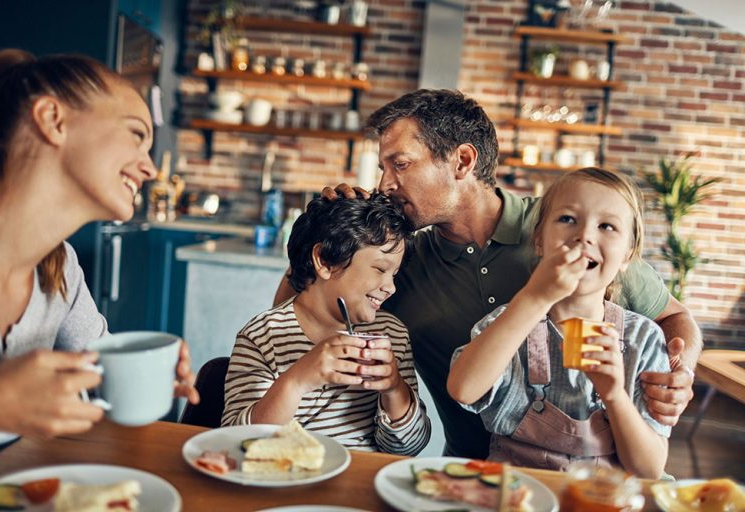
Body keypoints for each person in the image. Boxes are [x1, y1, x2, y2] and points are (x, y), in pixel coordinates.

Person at [275, 89, 702, 459]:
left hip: (591, 466)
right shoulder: (400, 262)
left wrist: (680, 374)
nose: (385, 183)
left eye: (399, 164)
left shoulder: (564, 228)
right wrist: (326, 233)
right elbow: (286, 320)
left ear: (462, 161)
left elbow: (673, 318)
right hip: (470, 466)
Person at [0, 49, 199, 461]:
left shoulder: (57, 266)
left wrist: (142, 372)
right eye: (136, 135)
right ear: (53, 120)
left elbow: (97, 366)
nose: (149, 170)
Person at [448, 168, 669, 478]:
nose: (585, 236)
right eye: (568, 219)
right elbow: (463, 389)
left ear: (627, 257)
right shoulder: (507, 326)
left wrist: (615, 395)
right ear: (539, 241)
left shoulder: (643, 340)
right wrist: (535, 298)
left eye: (607, 225)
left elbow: (649, 468)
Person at [222, 194, 430, 455]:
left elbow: (409, 448)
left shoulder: (392, 335)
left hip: (358, 487)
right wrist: (298, 380)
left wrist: (394, 387)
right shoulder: (263, 337)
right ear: (325, 261)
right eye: (379, 269)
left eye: (394, 274)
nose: (390, 287)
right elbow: (237, 442)